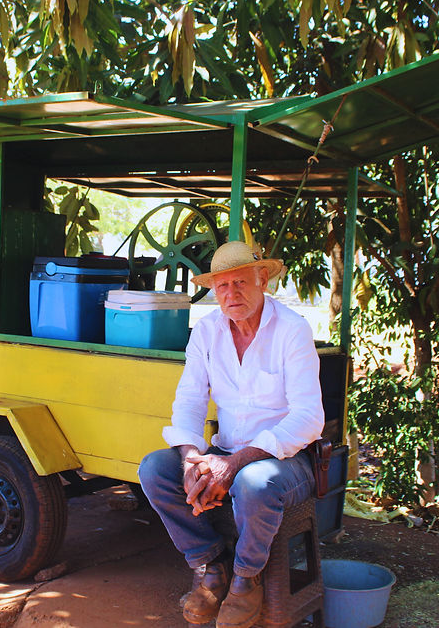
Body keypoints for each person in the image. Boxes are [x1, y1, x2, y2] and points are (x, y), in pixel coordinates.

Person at [138, 241, 324, 628]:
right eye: (221, 286)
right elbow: (188, 401)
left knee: (255, 483)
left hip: (285, 462)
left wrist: (234, 463)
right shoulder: (207, 331)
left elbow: (309, 418)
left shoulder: (292, 330)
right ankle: (210, 564)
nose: (230, 293)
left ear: (263, 281)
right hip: (224, 452)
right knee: (155, 469)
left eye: (240, 282)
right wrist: (191, 457)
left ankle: (245, 578)